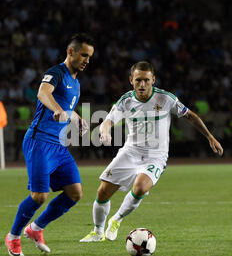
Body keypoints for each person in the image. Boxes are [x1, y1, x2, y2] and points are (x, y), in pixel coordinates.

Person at [80, 61, 223, 242]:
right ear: (131, 80)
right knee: (102, 192)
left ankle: (116, 219)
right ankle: (97, 232)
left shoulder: (166, 99)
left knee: (139, 188)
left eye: (146, 80)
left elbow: (190, 116)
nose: (142, 85)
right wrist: (105, 131)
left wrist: (210, 136)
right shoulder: (126, 100)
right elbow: (108, 120)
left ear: (153, 80)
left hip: (156, 156)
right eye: (138, 80)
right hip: (130, 152)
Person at [5, 33, 94, 256]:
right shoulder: (56, 73)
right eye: (83, 55)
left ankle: (35, 228)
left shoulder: (76, 83)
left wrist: (77, 119)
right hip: (39, 141)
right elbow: (43, 93)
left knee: (75, 193)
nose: (86, 60)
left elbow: (67, 107)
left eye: (89, 57)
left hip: (58, 146)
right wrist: (56, 109)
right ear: (70, 52)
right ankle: (13, 236)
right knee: (39, 196)